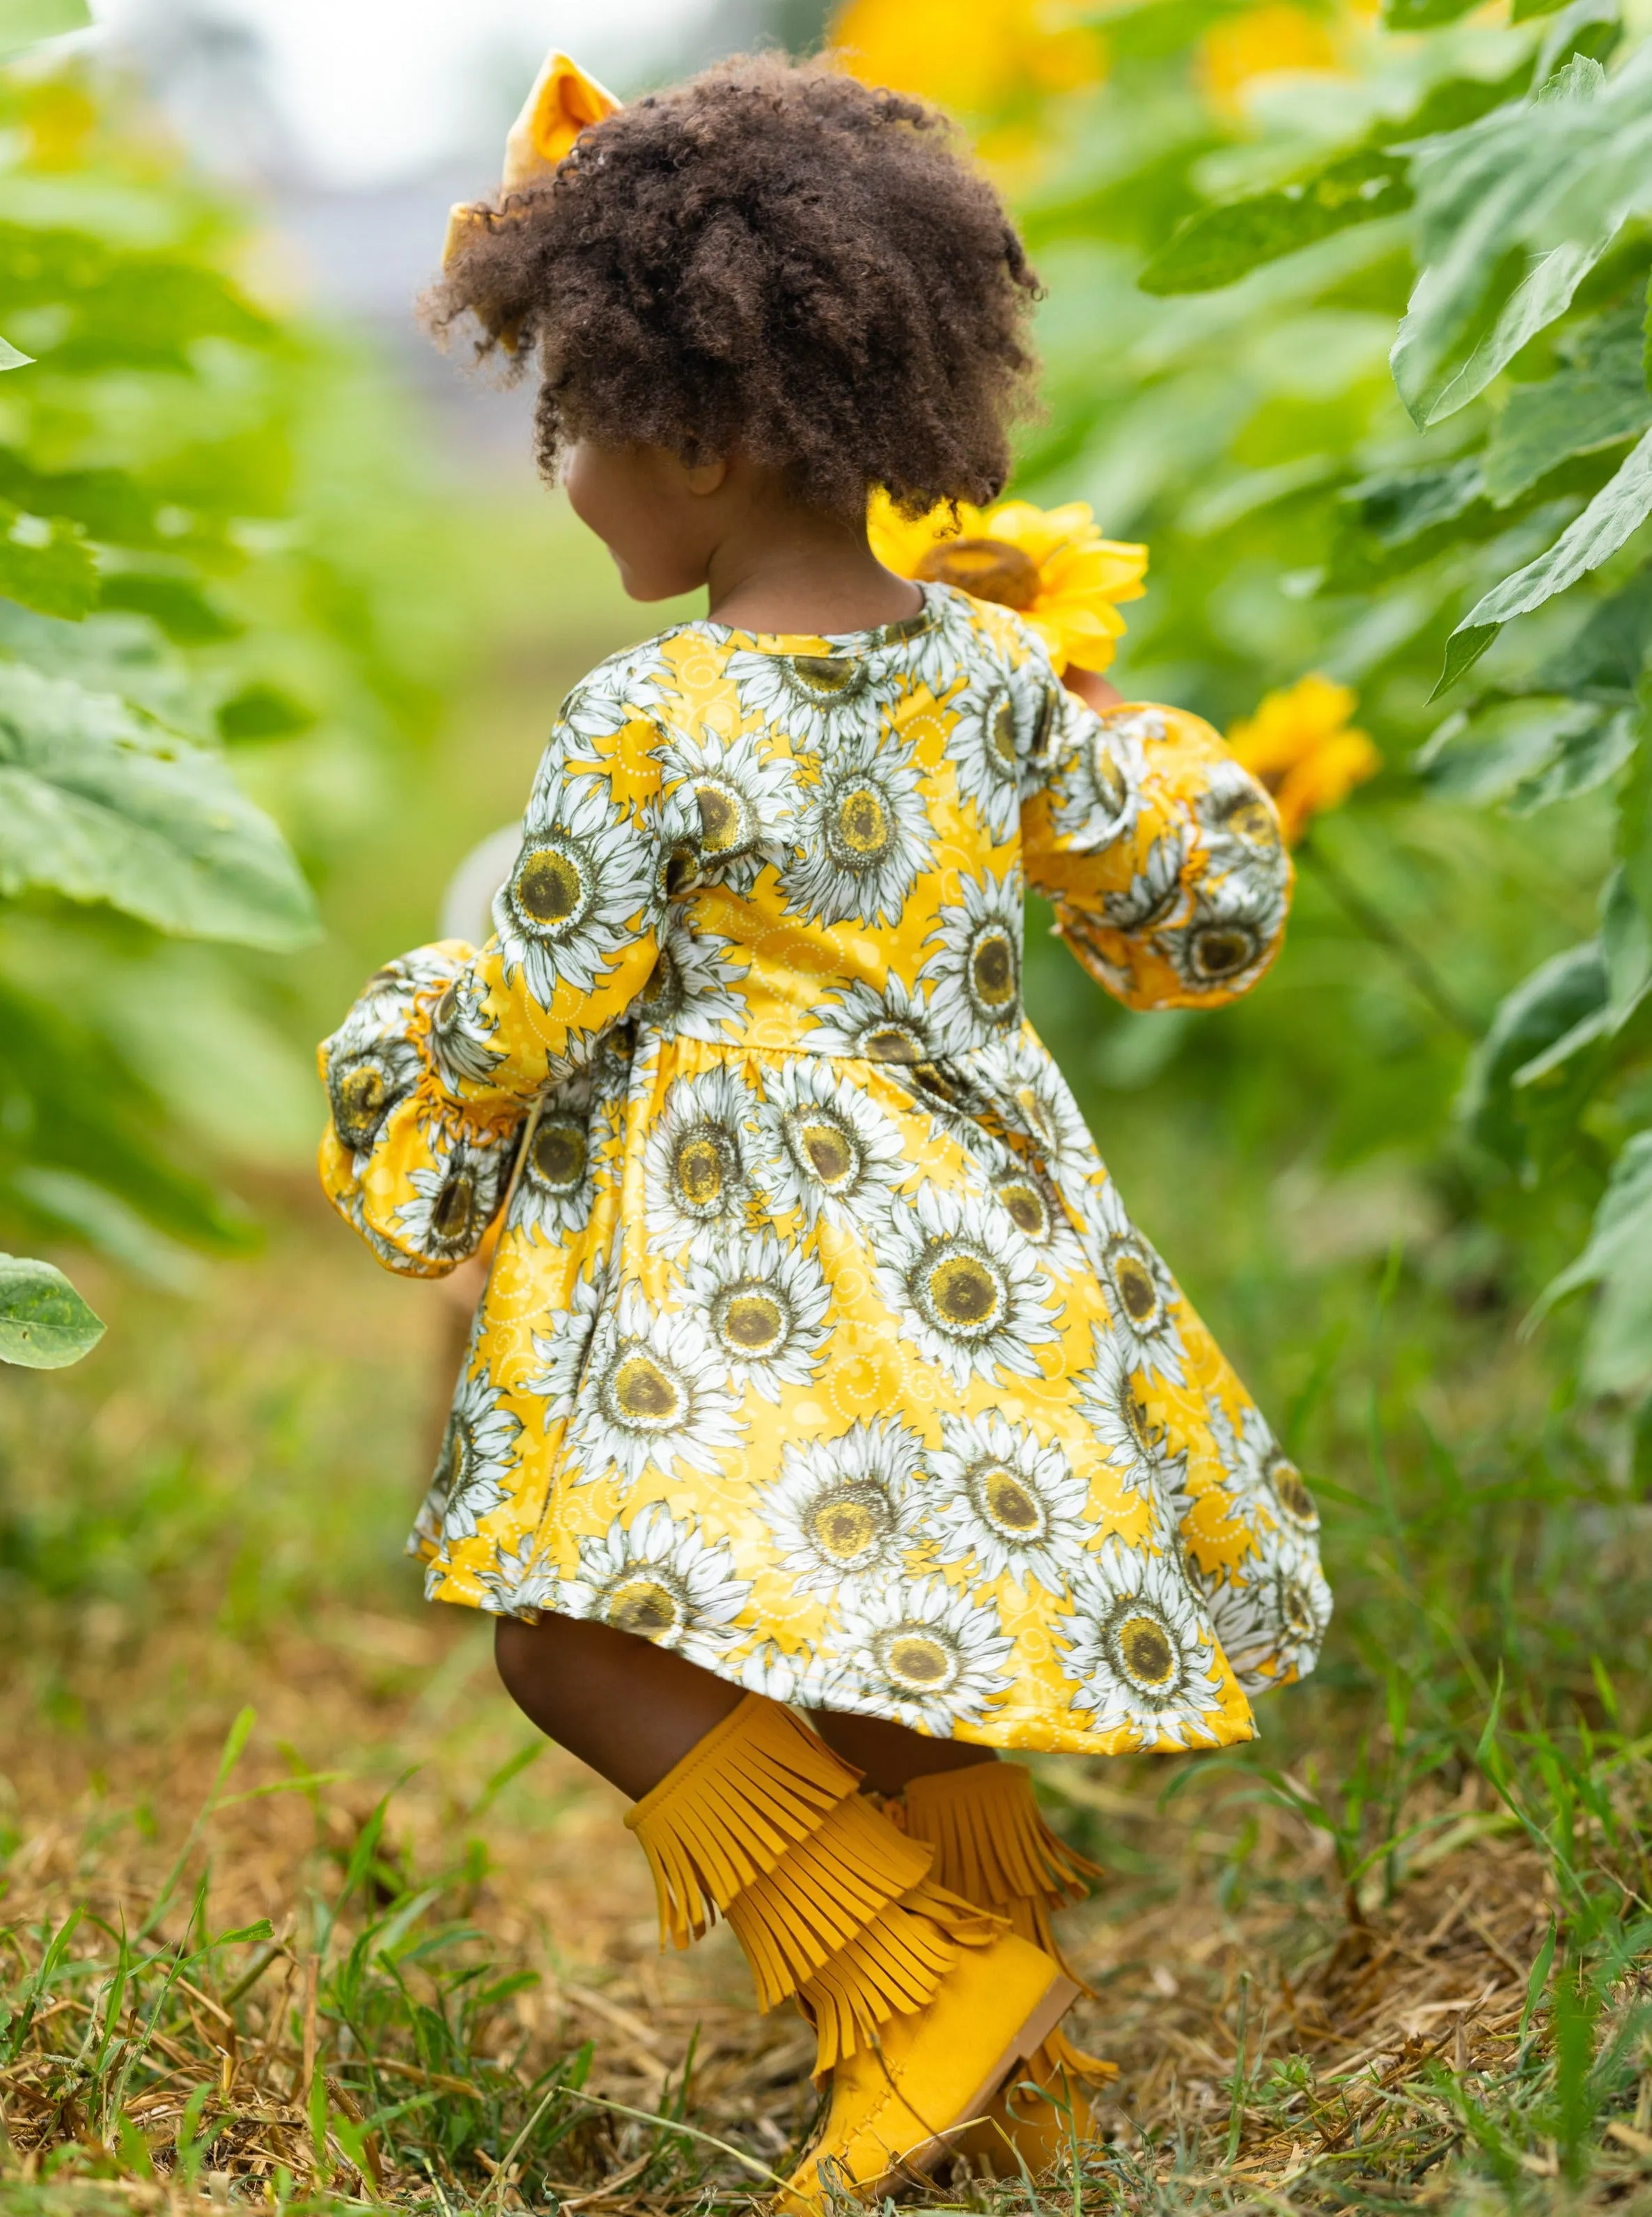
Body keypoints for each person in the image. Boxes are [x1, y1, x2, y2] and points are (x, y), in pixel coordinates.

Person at [318, 49, 1330, 2209]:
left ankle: (911, 1983)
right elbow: (1189, 903)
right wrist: (1153, 746)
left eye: (573, 428)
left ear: (693, 436)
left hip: (728, 1266)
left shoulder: (646, 717)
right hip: (971, 1247)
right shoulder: (985, 674)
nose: (565, 475)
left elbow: (534, 992)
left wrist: (404, 1054)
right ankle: (1016, 2043)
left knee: (568, 1635)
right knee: (896, 1625)